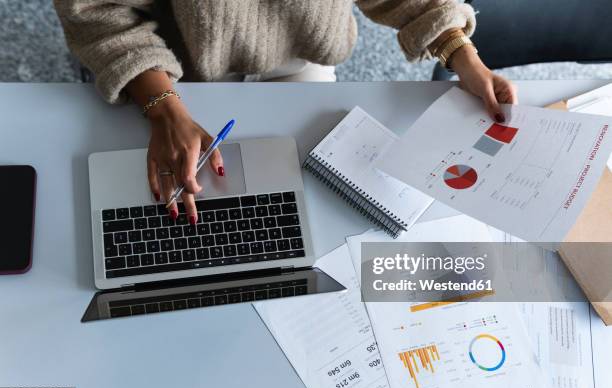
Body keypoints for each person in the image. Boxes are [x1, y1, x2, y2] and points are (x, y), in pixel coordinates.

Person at [54, 0, 517, 225]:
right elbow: (98, 11)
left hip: (302, 56)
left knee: (321, 219)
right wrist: (161, 106)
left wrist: (463, 55)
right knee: (182, 220)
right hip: (179, 67)